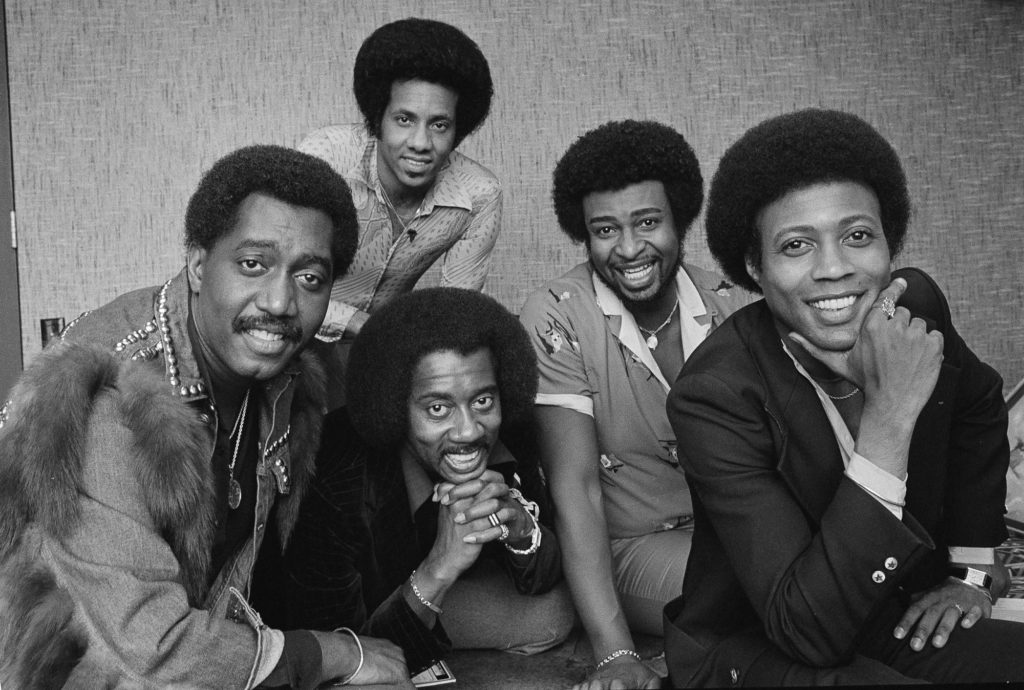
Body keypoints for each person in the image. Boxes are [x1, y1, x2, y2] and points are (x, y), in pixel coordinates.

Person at [0, 145, 413, 689]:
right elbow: (152, 644)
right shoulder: (103, 397)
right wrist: (332, 655)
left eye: (310, 278)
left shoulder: (287, 381)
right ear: (198, 264)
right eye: (252, 265)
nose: (281, 302)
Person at [664, 108, 1024, 686]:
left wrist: (975, 566)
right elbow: (807, 629)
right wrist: (889, 414)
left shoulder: (914, 310)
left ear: (889, 242)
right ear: (755, 267)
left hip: (895, 607)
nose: (834, 269)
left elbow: (980, 405)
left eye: (857, 236)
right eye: (796, 245)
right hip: (762, 643)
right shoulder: (715, 396)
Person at [518, 120, 752, 690]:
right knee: (771, 595)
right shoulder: (557, 315)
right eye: (604, 230)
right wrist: (614, 653)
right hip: (630, 546)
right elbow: (577, 487)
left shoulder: (728, 302)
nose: (627, 249)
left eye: (647, 222)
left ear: (680, 220)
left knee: (826, 579)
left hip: (740, 530)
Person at [260, 287, 576, 677]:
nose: (468, 431)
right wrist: (440, 568)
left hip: (432, 605)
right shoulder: (335, 474)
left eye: (482, 401)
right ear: (393, 404)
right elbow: (333, 653)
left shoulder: (512, 434)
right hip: (333, 628)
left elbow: (546, 578)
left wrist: (521, 531)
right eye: (438, 408)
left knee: (555, 610)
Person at [300, 18, 500, 345]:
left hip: (383, 352)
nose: (420, 142)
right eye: (404, 120)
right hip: (295, 335)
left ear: (457, 129)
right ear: (377, 117)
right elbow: (282, 277)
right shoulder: (328, 156)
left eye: (439, 125)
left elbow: (457, 311)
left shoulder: (478, 195)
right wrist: (360, 323)